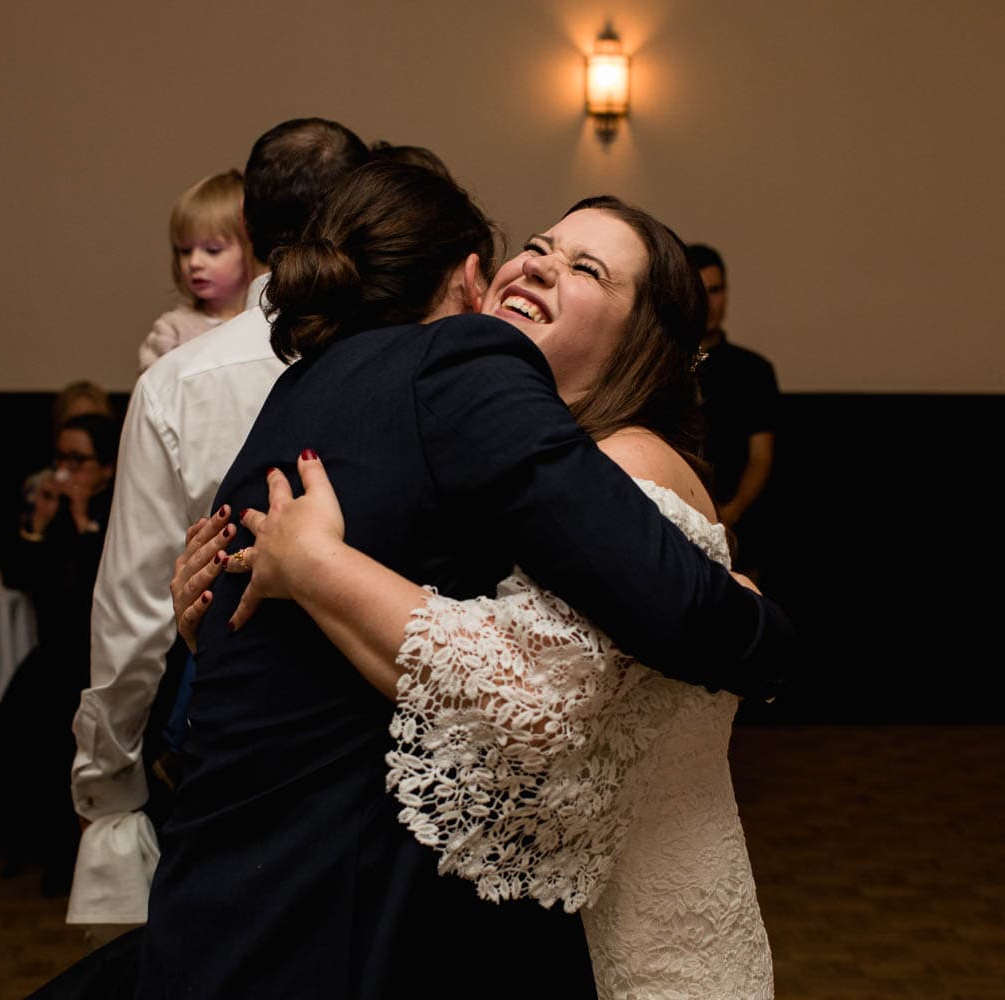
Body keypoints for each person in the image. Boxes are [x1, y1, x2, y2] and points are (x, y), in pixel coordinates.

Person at [132, 161, 790, 998]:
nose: (545, 264)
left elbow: (534, 706)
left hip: (624, 931)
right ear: (477, 278)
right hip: (453, 923)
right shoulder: (501, 455)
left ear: (642, 339)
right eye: (543, 246)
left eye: (587, 269)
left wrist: (317, 567)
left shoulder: (622, 459)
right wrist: (232, 604)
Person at [66, 118, 370, 931]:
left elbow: (133, 605)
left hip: (235, 716)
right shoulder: (425, 355)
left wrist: (108, 778)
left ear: (254, 230)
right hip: (388, 714)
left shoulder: (179, 383)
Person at [3, 412, 119, 895]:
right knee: (21, 705)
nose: (68, 470)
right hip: (58, 651)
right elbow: (22, 579)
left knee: (60, 712)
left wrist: (81, 520)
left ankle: (70, 857)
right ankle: (36, 842)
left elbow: (98, 589)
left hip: (99, 655)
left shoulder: (117, 508)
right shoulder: (53, 510)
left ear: (107, 467)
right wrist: (39, 524)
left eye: (80, 460)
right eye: (62, 458)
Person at [686, 244, 779, 563]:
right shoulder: (662, 364)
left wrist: (731, 513)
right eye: (699, 291)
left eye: (715, 290)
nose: (709, 303)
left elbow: (761, 457)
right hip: (674, 523)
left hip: (739, 528)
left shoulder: (753, 370)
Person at [137, 170, 256, 372]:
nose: (194, 262)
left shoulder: (269, 324)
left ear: (251, 248)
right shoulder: (172, 330)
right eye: (185, 251)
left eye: (212, 250)